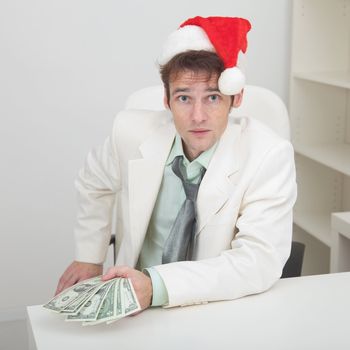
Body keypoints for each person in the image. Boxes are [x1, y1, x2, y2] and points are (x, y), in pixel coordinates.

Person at [55, 16, 297, 311]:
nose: (198, 116)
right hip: (133, 304)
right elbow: (94, 182)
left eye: (212, 97)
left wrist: (157, 287)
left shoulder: (269, 155)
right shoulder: (130, 132)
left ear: (236, 98)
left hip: (213, 304)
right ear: (166, 100)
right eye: (184, 98)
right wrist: (89, 256)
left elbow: (258, 261)